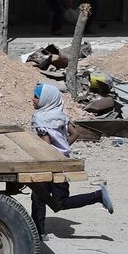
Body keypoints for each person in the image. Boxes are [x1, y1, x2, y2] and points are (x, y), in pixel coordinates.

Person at [28, 83, 114, 240]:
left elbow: (46, 146)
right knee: (48, 199)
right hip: (63, 164)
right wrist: (63, 148)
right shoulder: (61, 115)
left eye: (36, 97)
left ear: (46, 99)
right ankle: (39, 232)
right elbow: (75, 133)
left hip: (50, 164)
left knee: (48, 199)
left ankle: (39, 232)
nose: (32, 99)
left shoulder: (40, 118)